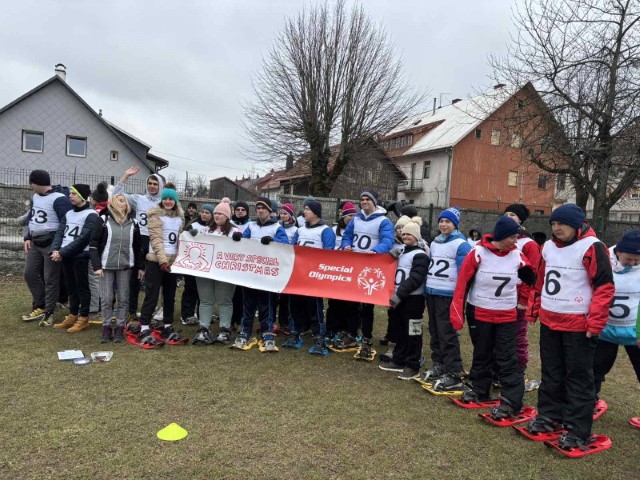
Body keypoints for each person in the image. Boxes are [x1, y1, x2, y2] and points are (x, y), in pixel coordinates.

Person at [525, 204, 614, 450]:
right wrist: (534, 310)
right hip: (550, 320)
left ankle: (577, 429)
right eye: (553, 224)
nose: (556, 228)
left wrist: (596, 322)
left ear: (576, 225)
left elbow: (604, 287)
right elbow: (540, 281)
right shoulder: (548, 247)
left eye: (561, 224)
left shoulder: (592, 247)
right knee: (551, 372)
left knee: (578, 377)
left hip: (578, 325)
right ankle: (549, 416)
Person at [450, 217, 536, 419]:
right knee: (482, 353)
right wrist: (457, 313)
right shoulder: (478, 252)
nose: (515, 241)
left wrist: (527, 294)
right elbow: (462, 283)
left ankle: (511, 402)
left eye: (516, 238)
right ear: (501, 235)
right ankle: (480, 390)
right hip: (480, 312)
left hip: (506, 315)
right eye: (512, 237)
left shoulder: (517, 255)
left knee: (507, 358)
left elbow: (533, 278)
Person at [334, 190, 394, 360]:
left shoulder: (383, 221)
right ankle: (352, 334)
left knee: (367, 306)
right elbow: (347, 235)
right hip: (355, 265)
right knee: (351, 303)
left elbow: (388, 241)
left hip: (371, 268)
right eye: (362, 199)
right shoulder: (357, 219)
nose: (364, 202)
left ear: (374, 202)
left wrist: (376, 250)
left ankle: (367, 339)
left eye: (368, 199)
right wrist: (346, 245)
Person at [422, 206, 471, 392]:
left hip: (448, 294)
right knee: (434, 330)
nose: (443, 224)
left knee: (447, 333)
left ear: (455, 224)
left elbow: (464, 272)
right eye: (441, 221)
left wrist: (459, 295)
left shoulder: (461, 244)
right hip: (432, 291)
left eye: (447, 222)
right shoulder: (435, 243)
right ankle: (439, 363)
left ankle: (454, 371)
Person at [231, 197, 288, 352]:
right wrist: (237, 238)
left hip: (267, 274)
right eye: (258, 208)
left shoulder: (277, 227)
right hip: (251, 272)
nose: (260, 211)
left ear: (269, 211)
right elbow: (244, 241)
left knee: (266, 305)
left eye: (263, 208)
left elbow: (285, 245)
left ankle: (267, 332)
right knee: (248, 304)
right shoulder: (251, 226)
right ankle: (246, 331)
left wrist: (273, 240)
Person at [131, 188, 185, 347]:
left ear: (175, 201)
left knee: (170, 295)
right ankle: (144, 325)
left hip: (172, 263)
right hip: (156, 261)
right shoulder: (155, 215)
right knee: (152, 294)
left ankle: (167, 324)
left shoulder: (179, 218)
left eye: (171, 199)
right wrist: (162, 260)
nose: (168, 202)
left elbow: (180, 239)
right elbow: (156, 240)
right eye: (165, 199)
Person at [112, 166, 165, 323]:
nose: (152, 186)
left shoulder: (165, 202)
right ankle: (132, 310)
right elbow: (115, 196)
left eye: (155, 184)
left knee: (153, 279)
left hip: (157, 241)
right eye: (150, 183)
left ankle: (151, 310)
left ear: (160, 186)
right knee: (135, 277)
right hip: (139, 239)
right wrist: (125, 176)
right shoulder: (139, 199)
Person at [89, 193, 144, 343]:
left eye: (124, 201)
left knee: (123, 299)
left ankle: (120, 326)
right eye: (119, 201)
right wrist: (97, 265)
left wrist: (140, 266)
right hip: (106, 266)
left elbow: (138, 246)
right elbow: (93, 244)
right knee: (107, 298)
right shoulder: (103, 220)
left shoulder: (134, 223)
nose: (121, 203)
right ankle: (106, 326)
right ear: (113, 203)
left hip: (125, 267)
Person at [593, 230, 640, 404]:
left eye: (637, 261)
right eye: (628, 259)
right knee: (596, 368)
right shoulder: (603, 262)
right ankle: (589, 402)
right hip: (606, 330)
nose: (632, 263)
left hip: (635, 333)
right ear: (618, 252)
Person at [379, 217, 429, 380]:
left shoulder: (420, 255)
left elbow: (416, 278)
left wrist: (399, 294)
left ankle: (413, 365)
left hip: (413, 300)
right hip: (398, 299)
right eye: (404, 234)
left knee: (413, 333)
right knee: (399, 330)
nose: (406, 236)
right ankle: (399, 359)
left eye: (410, 234)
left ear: (417, 236)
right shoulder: (400, 251)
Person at [22, 169, 72, 326]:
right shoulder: (36, 196)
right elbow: (31, 217)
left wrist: (59, 246)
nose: (30, 186)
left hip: (51, 242)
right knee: (29, 273)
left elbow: (67, 222)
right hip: (35, 242)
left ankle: (49, 311)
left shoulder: (59, 199)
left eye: (31, 183)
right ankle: (40, 304)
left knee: (51, 278)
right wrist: (27, 237)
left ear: (36, 183)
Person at [285, 200, 336, 355]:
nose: (304, 212)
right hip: (299, 274)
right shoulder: (300, 230)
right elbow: (293, 249)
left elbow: (328, 253)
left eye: (307, 209)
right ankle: (295, 333)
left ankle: (319, 337)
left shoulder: (326, 231)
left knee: (315, 308)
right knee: (295, 306)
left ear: (315, 212)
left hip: (314, 276)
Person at [49, 184, 99, 332]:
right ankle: (73, 314)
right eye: (70, 193)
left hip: (80, 256)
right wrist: (55, 249)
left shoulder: (91, 215)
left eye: (74, 193)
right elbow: (60, 233)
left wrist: (62, 252)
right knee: (71, 287)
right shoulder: (69, 213)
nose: (70, 196)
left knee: (82, 287)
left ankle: (83, 317)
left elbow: (83, 238)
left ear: (83, 197)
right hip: (66, 255)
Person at [191, 201, 239, 344]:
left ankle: (225, 328)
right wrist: (192, 236)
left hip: (225, 272)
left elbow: (242, 250)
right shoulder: (206, 230)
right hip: (205, 270)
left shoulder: (234, 231)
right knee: (205, 299)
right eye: (216, 213)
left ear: (227, 216)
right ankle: (204, 327)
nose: (217, 216)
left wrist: (239, 240)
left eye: (221, 214)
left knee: (224, 300)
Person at [503, 204, 541, 384]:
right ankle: (502, 369)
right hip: (502, 295)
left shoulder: (528, 244)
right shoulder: (501, 238)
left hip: (518, 296)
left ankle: (519, 370)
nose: (508, 216)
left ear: (521, 220)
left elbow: (532, 275)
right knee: (502, 335)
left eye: (512, 214)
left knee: (518, 335)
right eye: (506, 214)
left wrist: (524, 299)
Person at [380, 215, 412, 360]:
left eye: (403, 227)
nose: (400, 230)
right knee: (393, 315)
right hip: (393, 285)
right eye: (398, 227)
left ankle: (404, 345)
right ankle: (391, 341)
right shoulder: (391, 244)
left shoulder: (419, 245)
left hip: (408, 288)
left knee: (406, 318)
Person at [326, 202, 356, 341]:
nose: (351, 218)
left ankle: (348, 329)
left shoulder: (357, 230)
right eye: (349, 215)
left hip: (351, 270)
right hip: (337, 270)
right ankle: (332, 328)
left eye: (354, 215)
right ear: (343, 216)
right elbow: (329, 247)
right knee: (334, 302)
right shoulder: (334, 230)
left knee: (350, 302)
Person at [179, 205, 213, 326]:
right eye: (202, 212)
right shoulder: (193, 225)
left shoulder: (214, 228)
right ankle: (187, 315)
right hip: (192, 264)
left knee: (205, 291)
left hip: (207, 264)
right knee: (191, 288)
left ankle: (202, 314)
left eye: (207, 213)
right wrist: (189, 234)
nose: (204, 214)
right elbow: (183, 239)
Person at [230, 200, 251, 331]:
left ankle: (240, 320)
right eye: (238, 209)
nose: (240, 212)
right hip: (231, 264)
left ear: (247, 212)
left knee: (242, 295)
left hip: (245, 264)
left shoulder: (251, 225)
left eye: (243, 210)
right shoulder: (229, 224)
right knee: (231, 294)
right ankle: (231, 320)